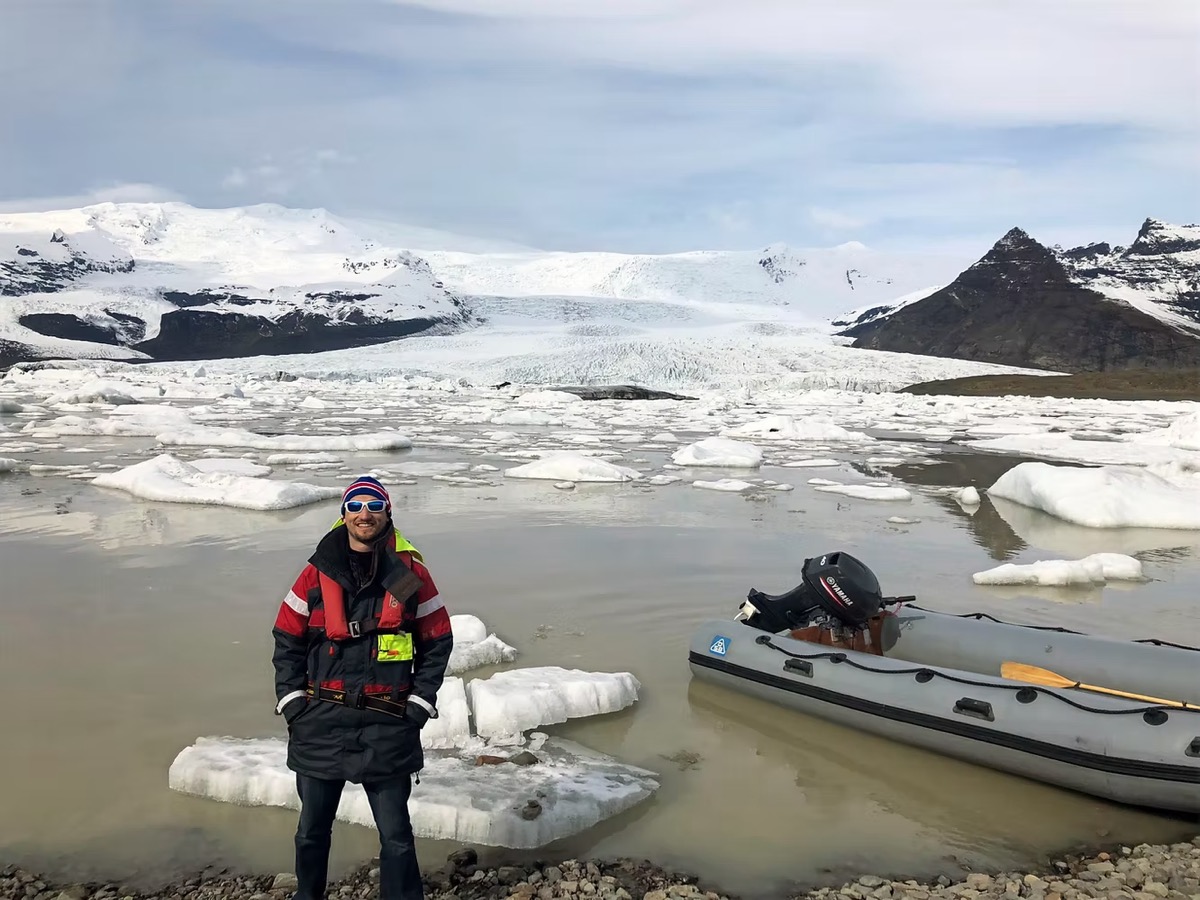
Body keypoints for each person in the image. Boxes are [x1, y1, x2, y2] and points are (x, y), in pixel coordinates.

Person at [272, 475, 453, 900]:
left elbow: (437, 639)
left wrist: (420, 703)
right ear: (344, 515)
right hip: (320, 719)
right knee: (311, 831)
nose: (364, 514)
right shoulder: (316, 572)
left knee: (396, 836)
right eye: (355, 506)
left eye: (373, 505)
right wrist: (292, 700)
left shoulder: (409, 574)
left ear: (388, 511)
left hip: (388, 721)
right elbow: (286, 635)